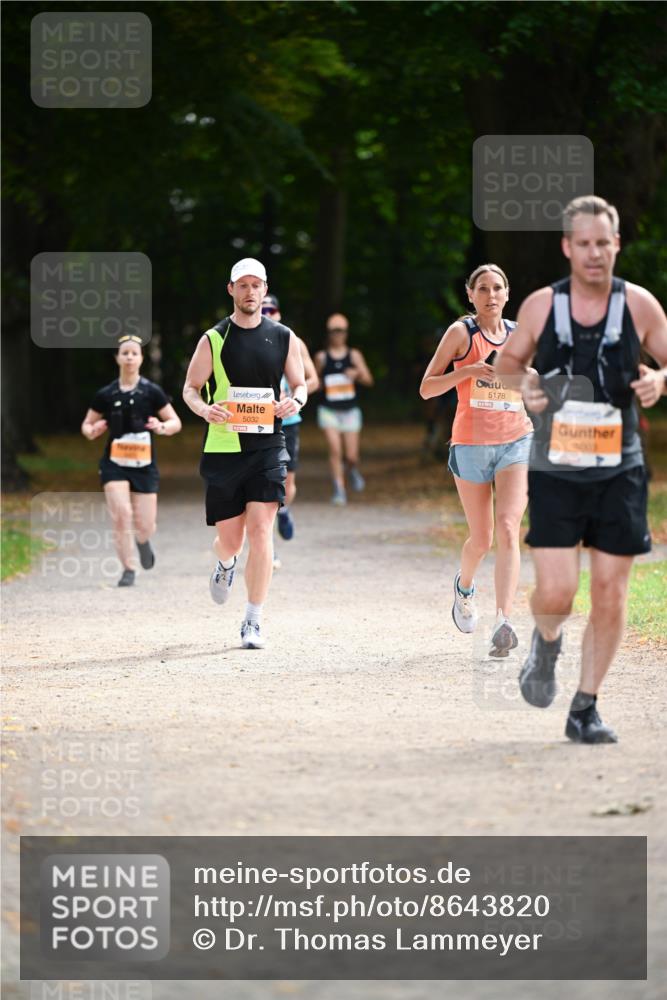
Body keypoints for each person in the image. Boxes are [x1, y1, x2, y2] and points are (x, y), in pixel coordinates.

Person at [496, 195, 667, 743]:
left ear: (617, 245)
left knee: (612, 592)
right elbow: (506, 365)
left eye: (604, 243)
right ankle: (546, 644)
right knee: (558, 593)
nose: (595, 254)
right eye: (584, 244)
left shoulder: (639, 306)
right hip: (557, 468)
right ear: (568, 247)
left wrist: (661, 381)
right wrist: (523, 386)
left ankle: (585, 706)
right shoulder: (543, 306)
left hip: (620, 467)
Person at [182, 258, 307, 649]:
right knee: (232, 541)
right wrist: (205, 409)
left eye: (257, 285)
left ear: (265, 289)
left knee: (260, 530)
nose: (251, 292)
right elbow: (190, 387)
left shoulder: (284, 335)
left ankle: (253, 619)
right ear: (231, 290)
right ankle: (225, 564)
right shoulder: (213, 338)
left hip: (268, 445)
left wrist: (295, 402)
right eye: (243, 285)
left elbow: (301, 385)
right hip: (224, 447)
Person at [420, 265, 533, 656]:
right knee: (481, 539)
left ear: (507, 293)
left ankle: (503, 620)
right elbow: (426, 388)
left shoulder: (521, 335)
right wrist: (467, 370)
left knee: (507, 528)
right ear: (470, 295)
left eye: (497, 287)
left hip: (516, 440)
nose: (491, 295)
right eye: (482, 288)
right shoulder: (460, 334)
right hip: (470, 444)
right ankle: (464, 587)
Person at [81, 333, 182, 587]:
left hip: (144, 464)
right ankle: (128, 568)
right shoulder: (106, 393)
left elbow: (175, 422)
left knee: (145, 525)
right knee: (121, 515)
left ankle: (143, 540)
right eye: (124, 352)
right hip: (114, 462)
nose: (129, 357)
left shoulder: (151, 391)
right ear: (117, 357)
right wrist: (91, 431)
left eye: (134, 353)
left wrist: (161, 426)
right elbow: (87, 424)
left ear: (141, 358)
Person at [261, 293, 319, 546]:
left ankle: (283, 510)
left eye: (271, 310)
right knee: (260, 479)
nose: (267, 315)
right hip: (257, 421)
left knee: (288, 480)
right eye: (263, 310)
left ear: (279, 314)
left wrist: (294, 395)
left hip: (289, 422)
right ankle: (266, 540)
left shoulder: (293, 341)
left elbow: (313, 380)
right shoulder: (244, 340)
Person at [315, 313, 374, 505]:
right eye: (334, 331)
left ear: (346, 333)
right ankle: (339, 489)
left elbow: (369, 380)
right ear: (329, 333)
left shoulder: (354, 355)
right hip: (328, 409)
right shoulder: (322, 357)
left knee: (351, 455)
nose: (337, 334)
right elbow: (314, 381)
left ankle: (352, 468)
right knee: (335, 450)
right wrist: (324, 383)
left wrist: (356, 374)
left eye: (341, 331)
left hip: (350, 410)